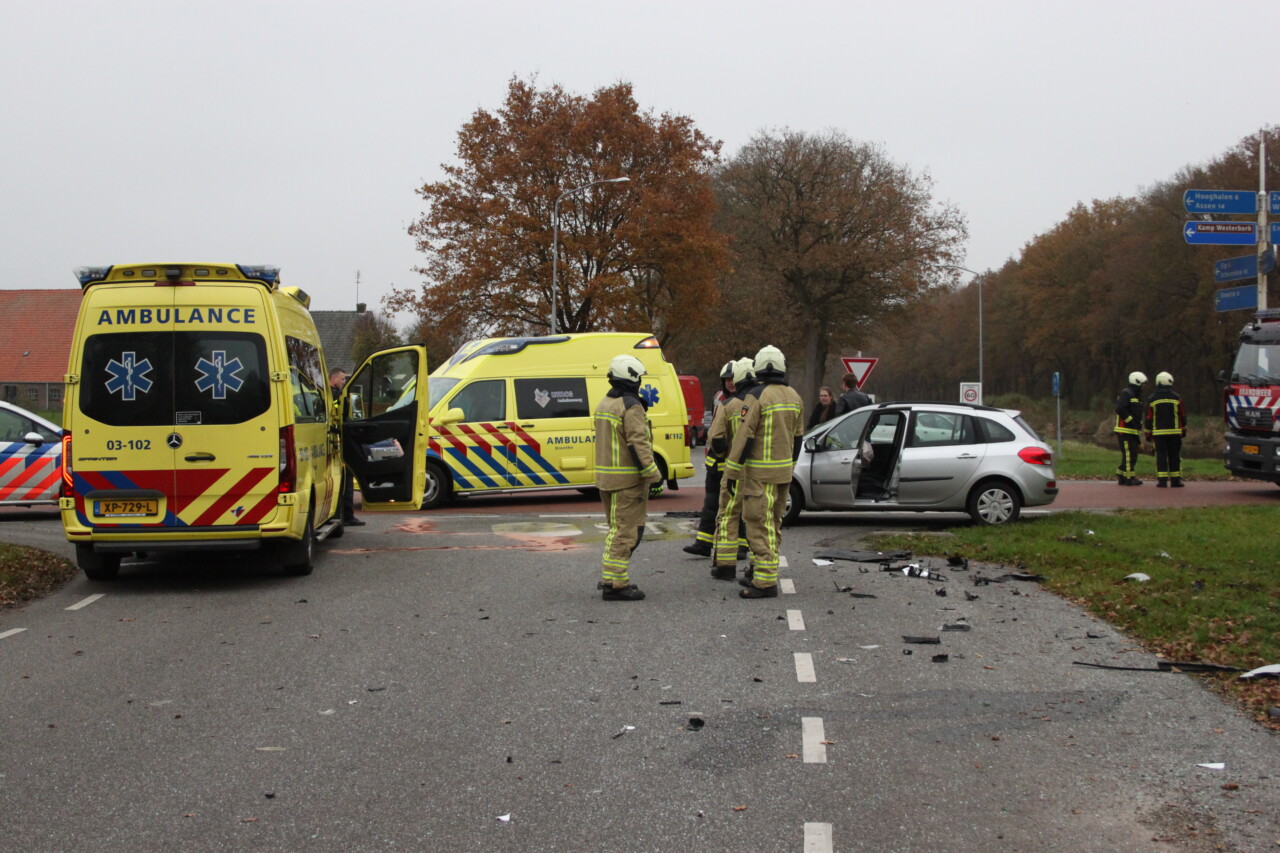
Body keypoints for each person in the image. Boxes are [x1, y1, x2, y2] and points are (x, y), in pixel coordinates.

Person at [724, 345, 804, 598]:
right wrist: (790, 466)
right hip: (783, 474)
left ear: (759, 368)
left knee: (757, 524)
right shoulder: (794, 396)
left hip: (759, 474)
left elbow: (744, 437)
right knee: (773, 524)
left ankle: (765, 582)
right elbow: (798, 437)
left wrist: (731, 473)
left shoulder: (757, 396)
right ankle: (759, 570)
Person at [593, 354, 663, 601]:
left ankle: (610, 578)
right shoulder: (631, 405)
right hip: (627, 482)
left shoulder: (605, 403)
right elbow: (638, 443)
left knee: (616, 530)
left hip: (606, 479)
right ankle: (617, 585)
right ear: (632, 377)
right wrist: (653, 475)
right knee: (626, 532)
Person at [684, 361, 736, 557]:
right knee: (711, 503)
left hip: (733, 461)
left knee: (733, 507)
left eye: (733, 379)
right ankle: (703, 543)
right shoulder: (719, 397)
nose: (730, 383)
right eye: (727, 380)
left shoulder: (746, 399)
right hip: (715, 460)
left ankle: (740, 546)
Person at [710, 358, 755, 579]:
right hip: (758, 470)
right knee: (757, 518)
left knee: (728, 516)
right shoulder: (761, 403)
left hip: (734, 470)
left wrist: (723, 457)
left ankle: (725, 567)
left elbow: (716, 439)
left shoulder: (727, 406)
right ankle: (757, 565)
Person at [330, 367, 365, 525]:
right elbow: (341, 417)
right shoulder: (336, 395)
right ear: (334, 378)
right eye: (342, 379)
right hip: (339, 442)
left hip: (335, 440)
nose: (344, 382)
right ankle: (347, 516)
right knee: (346, 479)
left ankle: (342, 515)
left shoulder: (326, 394)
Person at [1145, 371, 1187, 488]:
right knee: (1175, 456)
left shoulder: (1152, 399)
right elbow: (1182, 415)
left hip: (1158, 433)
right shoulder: (1177, 397)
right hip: (1175, 433)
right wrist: (1183, 430)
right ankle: (1175, 480)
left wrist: (1148, 434)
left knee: (1161, 456)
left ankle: (1162, 481)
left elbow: (1149, 417)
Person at [1114, 371, 1147, 486]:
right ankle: (1129, 478)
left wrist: (1138, 425)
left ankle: (1121, 474)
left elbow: (1137, 414)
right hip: (1125, 430)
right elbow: (1120, 409)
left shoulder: (1136, 396)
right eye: (1143, 384)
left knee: (1132, 454)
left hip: (1132, 430)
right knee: (1130, 454)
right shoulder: (1127, 393)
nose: (1144, 386)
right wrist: (1130, 421)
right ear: (1137, 382)